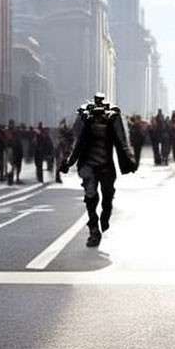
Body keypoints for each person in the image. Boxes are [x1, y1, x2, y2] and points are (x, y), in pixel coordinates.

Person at [60, 93, 137, 247]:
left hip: (106, 165)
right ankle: (94, 230)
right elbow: (76, 142)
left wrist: (129, 159)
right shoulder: (84, 118)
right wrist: (68, 162)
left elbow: (123, 141)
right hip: (89, 165)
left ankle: (104, 217)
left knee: (107, 197)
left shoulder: (112, 118)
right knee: (91, 197)